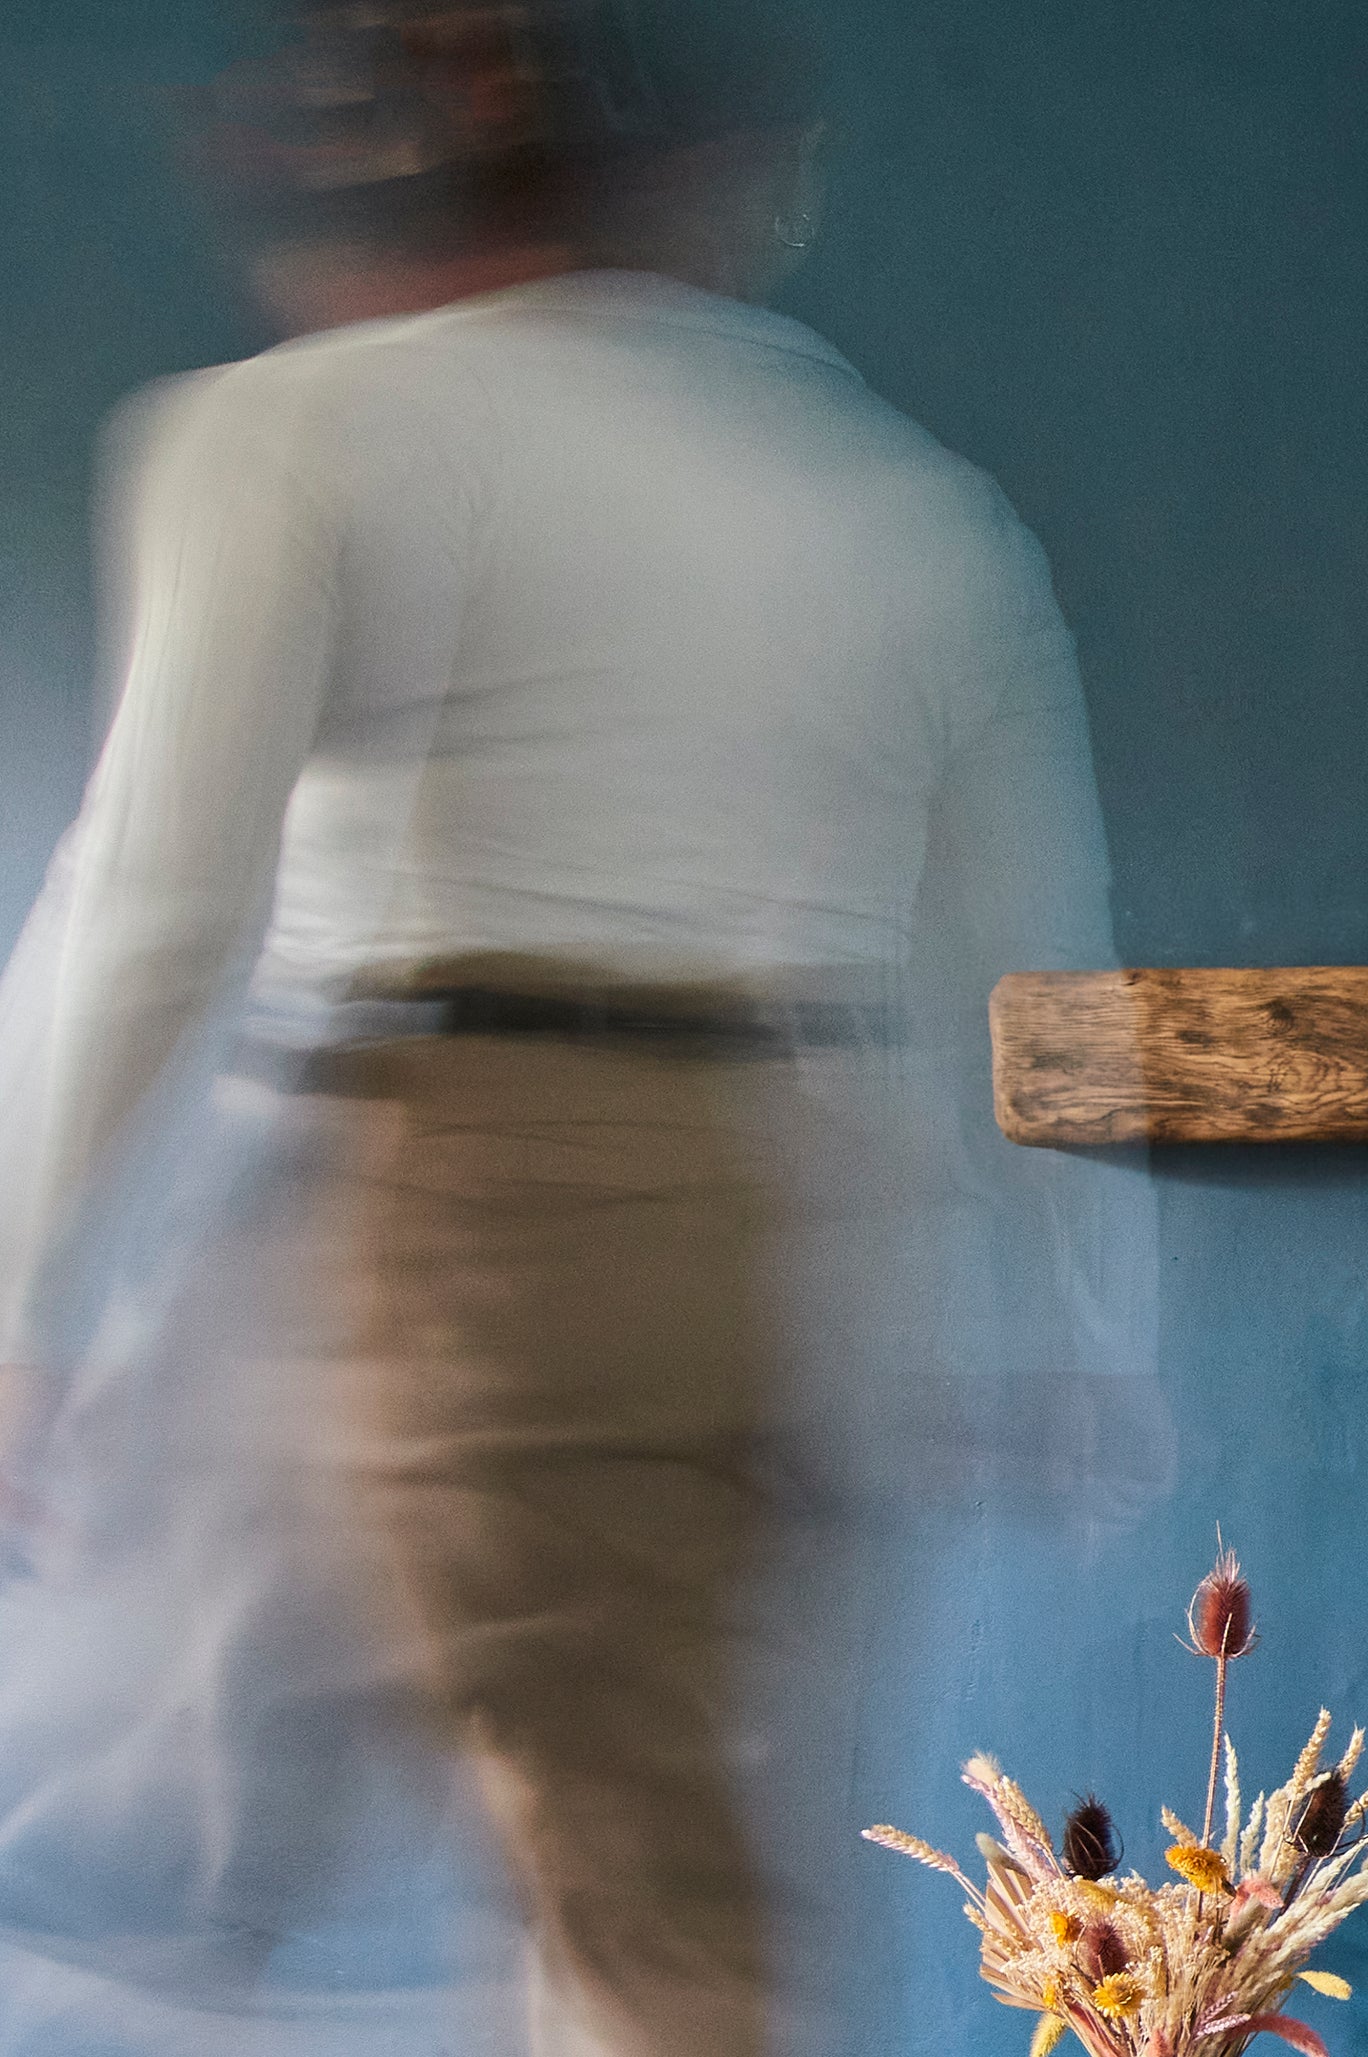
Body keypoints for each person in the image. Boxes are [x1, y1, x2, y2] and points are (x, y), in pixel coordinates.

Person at [0, 5, 1153, 2051]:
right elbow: (1027, 957)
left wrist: (20, 1276)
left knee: (435, 1886)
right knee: (612, 1865)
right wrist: (1074, 1318)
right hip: (760, 1218)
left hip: (439, 1192)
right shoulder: (883, 496)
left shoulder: (293, 427)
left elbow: (157, 894)